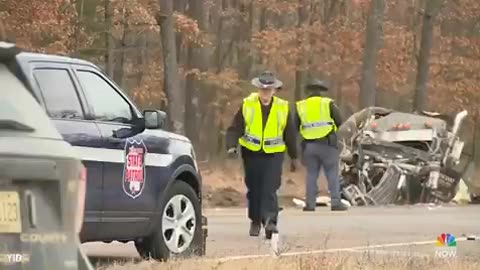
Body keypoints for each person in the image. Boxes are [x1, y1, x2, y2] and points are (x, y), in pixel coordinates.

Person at [226, 70, 298, 239]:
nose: (265, 93)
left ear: (274, 90)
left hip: (274, 154)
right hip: (251, 152)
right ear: (258, 90)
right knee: (254, 188)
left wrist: (294, 157)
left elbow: (290, 133)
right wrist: (231, 146)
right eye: (263, 90)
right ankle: (256, 220)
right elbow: (235, 128)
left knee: (270, 188)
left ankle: (271, 222)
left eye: (269, 90)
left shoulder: (283, 107)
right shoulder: (248, 104)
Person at [294, 79, 349, 211]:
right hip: (327, 145)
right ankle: (336, 202)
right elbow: (340, 120)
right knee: (332, 174)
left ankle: (310, 204)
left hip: (309, 146)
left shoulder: (301, 105)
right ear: (322, 92)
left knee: (311, 175)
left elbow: (295, 126)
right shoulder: (328, 103)